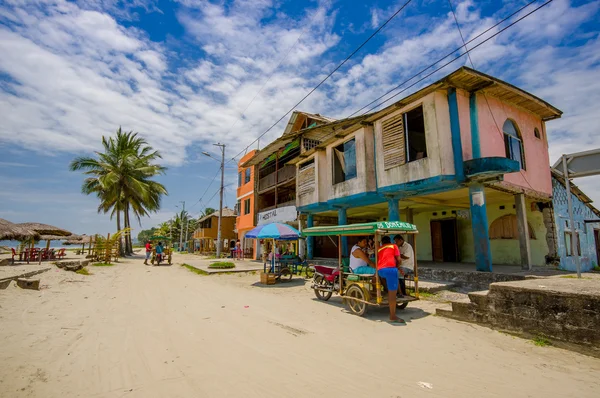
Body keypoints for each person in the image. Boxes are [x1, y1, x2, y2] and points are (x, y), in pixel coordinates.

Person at [377, 236, 404, 323]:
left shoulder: (380, 248)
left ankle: (386, 290)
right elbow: (399, 260)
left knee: (387, 281)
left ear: (382, 242)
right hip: (390, 269)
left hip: (380, 270)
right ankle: (392, 316)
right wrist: (398, 267)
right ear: (390, 241)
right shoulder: (394, 246)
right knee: (392, 294)